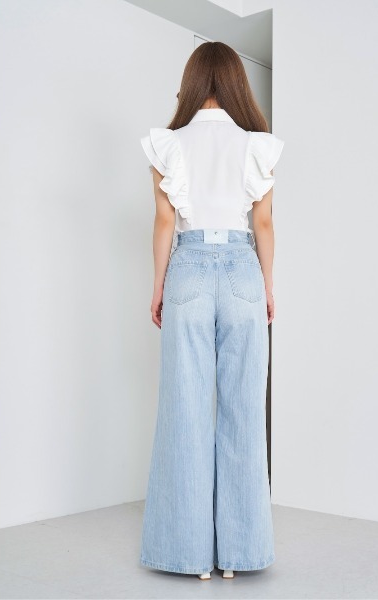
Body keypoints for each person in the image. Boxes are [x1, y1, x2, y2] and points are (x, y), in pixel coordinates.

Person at [138, 41, 285, 580]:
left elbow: (163, 222)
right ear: (237, 84)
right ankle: (239, 557)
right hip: (243, 269)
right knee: (244, 412)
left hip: (189, 267)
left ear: (193, 81)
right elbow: (263, 223)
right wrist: (266, 286)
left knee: (185, 410)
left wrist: (159, 285)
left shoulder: (169, 144)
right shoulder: (256, 146)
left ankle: (190, 557)